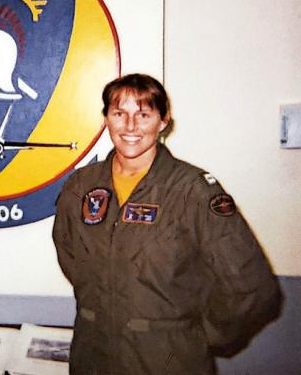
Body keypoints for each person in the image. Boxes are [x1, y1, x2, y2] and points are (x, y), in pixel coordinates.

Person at [53, 73, 282, 375]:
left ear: (163, 121)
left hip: (168, 360)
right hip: (94, 356)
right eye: (119, 114)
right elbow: (71, 258)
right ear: (106, 118)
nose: (130, 126)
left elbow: (252, 287)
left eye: (144, 114)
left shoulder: (193, 191)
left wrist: (202, 336)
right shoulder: (81, 187)